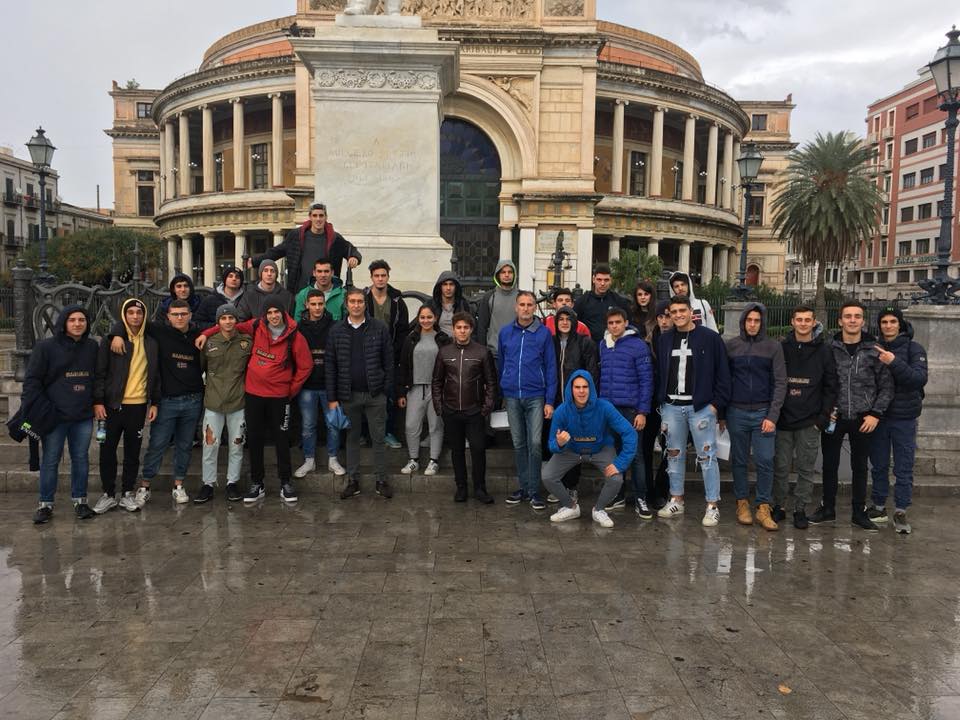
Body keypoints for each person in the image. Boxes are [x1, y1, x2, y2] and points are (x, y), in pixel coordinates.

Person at [198, 298, 312, 502]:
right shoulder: (256, 325)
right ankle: (257, 483)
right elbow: (228, 326)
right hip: (253, 395)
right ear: (264, 315)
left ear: (284, 313)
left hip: (279, 396)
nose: (273, 316)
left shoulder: (295, 335)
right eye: (269, 313)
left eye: (277, 312)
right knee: (255, 439)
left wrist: (289, 390)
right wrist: (206, 333)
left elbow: (305, 366)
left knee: (281, 439)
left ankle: (285, 482)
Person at [110, 298, 204, 507]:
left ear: (190, 315)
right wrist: (116, 333)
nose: (179, 318)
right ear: (168, 316)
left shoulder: (199, 333)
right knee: (157, 444)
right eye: (175, 314)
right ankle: (145, 485)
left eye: (183, 314)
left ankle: (179, 485)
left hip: (193, 399)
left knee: (185, 445)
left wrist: (207, 333)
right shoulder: (159, 331)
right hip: (167, 400)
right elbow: (133, 321)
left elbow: (222, 327)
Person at [812, 300, 895, 531]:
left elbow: (886, 386)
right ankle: (827, 508)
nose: (852, 320)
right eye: (847, 316)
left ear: (863, 321)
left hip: (863, 417)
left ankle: (859, 512)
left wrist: (876, 414)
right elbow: (819, 382)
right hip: (834, 417)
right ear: (840, 321)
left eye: (857, 316)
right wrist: (824, 411)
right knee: (830, 465)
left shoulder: (874, 349)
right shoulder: (828, 348)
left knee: (860, 467)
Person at [654, 295, 731, 526]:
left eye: (681, 310)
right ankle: (677, 498)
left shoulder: (710, 338)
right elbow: (662, 371)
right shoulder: (665, 340)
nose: (677, 315)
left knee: (707, 457)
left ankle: (712, 505)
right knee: (673, 455)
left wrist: (716, 405)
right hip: (672, 406)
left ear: (691, 311)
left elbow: (723, 374)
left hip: (701, 408)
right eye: (673, 312)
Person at [23, 305, 98, 524]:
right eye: (72, 319)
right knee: (50, 460)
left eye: (82, 320)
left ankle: (80, 501)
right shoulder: (46, 347)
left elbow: (97, 377)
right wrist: (40, 407)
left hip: (82, 415)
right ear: (64, 322)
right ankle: (45, 504)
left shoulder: (92, 346)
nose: (77, 324)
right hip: (54, 415)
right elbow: (32, 380)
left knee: (81, 459)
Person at [721, 303, 787, 531]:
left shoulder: (773, 347)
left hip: (763, 414)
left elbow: (780, 383)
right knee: (739, 461)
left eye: (756, 320)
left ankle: (763, 506)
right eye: (749, 320)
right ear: (742, 322)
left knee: (766, 460)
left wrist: (772, 415)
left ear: (762, 323)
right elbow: (723, 381)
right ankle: (742, 503)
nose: (752, 324)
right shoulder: (731, 347)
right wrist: (722, 413)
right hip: (736, 412)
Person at [544, 371, 638, 529]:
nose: (581, 391)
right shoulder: (562, 411)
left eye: (585, 387)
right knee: (547, 476)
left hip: (600, 449)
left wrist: (620, 464)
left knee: (616, 478)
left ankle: (599, 509)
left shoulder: (604, 407)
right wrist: (559, 443)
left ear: (591, 388)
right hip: (572, 450)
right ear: (570, 389)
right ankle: (570, 507)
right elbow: (552, 444)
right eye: (577, 387)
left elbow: (630, 433)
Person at [91, 298, 160, 514]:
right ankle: (108, 494)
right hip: (110, 407)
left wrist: (154, 402)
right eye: (130, 313)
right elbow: (100, 373)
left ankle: (127, 492)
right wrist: (98, 401)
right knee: (107, 450)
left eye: (139, 313)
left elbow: (156, 375)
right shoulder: (111, 341)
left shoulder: (151, 342)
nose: (135, 317)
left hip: (138, 406)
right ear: (123, 315)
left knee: (133, 451)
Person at [326, 287, 395, 499]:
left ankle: (381, 480)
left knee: (378, 439)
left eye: (360, 302)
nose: (356, 305)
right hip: (349, 395)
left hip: (375, 395)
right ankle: (353, 480)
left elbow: (389, 361)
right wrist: (332, 398)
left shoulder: (379, 328)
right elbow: (330, 365)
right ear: (346, 305)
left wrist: (385, 390)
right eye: (352, 301)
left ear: (365, 304)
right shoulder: (336, 331)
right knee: (352, 439)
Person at [772, 305, 837, 530]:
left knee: (806, 468)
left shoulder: (824, 350)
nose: (802, 323)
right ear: (792, 322)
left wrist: (823, 418)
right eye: (798, 320)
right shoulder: (781, 348)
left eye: (807, 320)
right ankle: (778, 506)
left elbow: (831, 386)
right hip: (783, 420)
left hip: (810, 421)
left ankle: (800, 509)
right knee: (780, 466)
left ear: (813, 322)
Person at [867, 306, 927, 534]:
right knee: (879, 464)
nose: (888, 326)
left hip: (904, 417)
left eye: (893, 321)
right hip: (879, 417)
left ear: (900, 324)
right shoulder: (874, 348)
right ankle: (879, 506)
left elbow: (918, 379)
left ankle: (901, 510)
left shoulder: (914, 348)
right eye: (884, 322)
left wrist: (893, 361)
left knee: (903, 466)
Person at [498, 291, 557, 509]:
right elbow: (502, 364)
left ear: (534, 307)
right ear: (516, 307)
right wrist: (503, 387)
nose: (525, 308)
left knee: (534, 443)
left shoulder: (543, 334)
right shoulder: (505, 333)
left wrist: (549, 400)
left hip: (535, 396)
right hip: (512, 395)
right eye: (522, 304)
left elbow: (551, 368)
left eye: (529, 304)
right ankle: (523, 488)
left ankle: (534, 490)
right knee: (518, 443)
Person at [432, 312, 498, 503]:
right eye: (459, 327)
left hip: (474, 411)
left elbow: (491, 382)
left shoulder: (482, 352)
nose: (462, 331)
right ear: (453, 329)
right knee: (457, 450)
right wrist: (439, 407)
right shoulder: (444, 352)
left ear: (471, 329)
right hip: (451, 410)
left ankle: (480, 488)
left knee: (478, 449)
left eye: (466, 328)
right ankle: (461, 487)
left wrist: (485, 408)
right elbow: (436, 381)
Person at [597, 307, 654, 518]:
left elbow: (647, 381)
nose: (614, 326)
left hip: (631, 410)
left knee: (635, 455)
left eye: (618, 322)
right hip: (609, 409)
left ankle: (641, 497)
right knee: (612, 453)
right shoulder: (603, 345)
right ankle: (617, 494)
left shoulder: (638, 346)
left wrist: (642, 412)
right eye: (610, 323)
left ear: (625, 322)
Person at [196, 304, 252, 503]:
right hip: (214, 402)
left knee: (237, 443)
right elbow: (200, 368)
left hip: (238, 401)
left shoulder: (246, 342)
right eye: (224, 318)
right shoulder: (209, 342)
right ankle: (208, 484)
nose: (228, 322)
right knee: (210, 444)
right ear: (217, 321)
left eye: (231, 318)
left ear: (236, 320)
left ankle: (232, 483)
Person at [544, 306, 598, 503]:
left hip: (577, 403)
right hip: (555, 402)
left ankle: (572, 486)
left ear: (574, 322)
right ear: (556, 322)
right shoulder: (550, 343)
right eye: (561, 319)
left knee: (575, 445)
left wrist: (586, 401)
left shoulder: (585, 343)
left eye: (568, 319)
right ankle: (558, 485)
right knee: (558, 443)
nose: (564, 322)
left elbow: (592, 374)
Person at [250, 201, 362, 294]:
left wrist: (354, 257)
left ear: (326, 217)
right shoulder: (296, 236)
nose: (318, 219)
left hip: (327, 291)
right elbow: (276, 251)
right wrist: (254, 261)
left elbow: (351, 249)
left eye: (321, 215)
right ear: (310, 217)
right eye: (315, 215)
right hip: (300, 291)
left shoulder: (335, 238)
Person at [294, 290, 343, 478]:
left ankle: (333, 459)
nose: (317, 308)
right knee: (308, 425)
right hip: (307, 385)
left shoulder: (334, 326)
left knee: (333, 425)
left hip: (330, 384)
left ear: (325, 304)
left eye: (320, 304)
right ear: (307, 305)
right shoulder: (299, 328)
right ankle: (309, 460)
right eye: (313, 304)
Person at [397, 304, 449, 477]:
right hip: (415, 388)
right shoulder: (411, 338)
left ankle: (433, 461)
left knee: (436, 425)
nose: (426, 320)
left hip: (436, 389)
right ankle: (414, 460)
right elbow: (403, 366)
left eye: (429, 317)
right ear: (418, 319)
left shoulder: (443, 339)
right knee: (411, 425)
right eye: (422, 317)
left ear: (435, 318)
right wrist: (401, 392)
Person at [364, 260, 409, 450]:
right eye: (377, 275)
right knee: (365, 397)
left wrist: (394, 353)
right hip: (367, 355)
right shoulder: (363, 298)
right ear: (372, 277)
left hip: (389, 357)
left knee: (388, 397)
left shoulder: (398, 302)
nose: (380, 279)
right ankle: (366, 435)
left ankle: (388, 433)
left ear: (388, 277)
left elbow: (403, 330)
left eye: (383, 275)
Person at [644, 300, 673, 508]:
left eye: (667, 316)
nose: (664, 321)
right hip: (650, 402)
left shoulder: (679, 340)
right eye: (660, 317)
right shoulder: (648, 341)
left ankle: (662, 488)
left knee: (669, 448)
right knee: (645, 448)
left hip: (671, 403)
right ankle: (647, 490)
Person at [573, 263, 631, 342]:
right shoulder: (582, 301)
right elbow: (575, 325)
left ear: (611, 280)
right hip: (589, 348)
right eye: (599, 280)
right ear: (593, 279)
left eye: (606, 280)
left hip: (614, 347)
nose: (602, 283)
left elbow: (628, 323)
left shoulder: (619, 301)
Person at [476, 259, 519, 360]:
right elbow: (482, 326)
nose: (507, 275)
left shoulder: (521, 297)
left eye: (510, 272)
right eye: (503, 272)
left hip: (516, 352)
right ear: (498, 275)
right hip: (494, 353)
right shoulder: (489, 297)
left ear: (514, 274)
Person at [431, 270, 472, 336]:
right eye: (445, 284)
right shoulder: (432, 305)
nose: (448, 288)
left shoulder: (464, 305)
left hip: (459, 344)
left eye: (451, 284)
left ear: (456, 287)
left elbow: (472, 327)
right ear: (440, 287)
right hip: (438, 343)